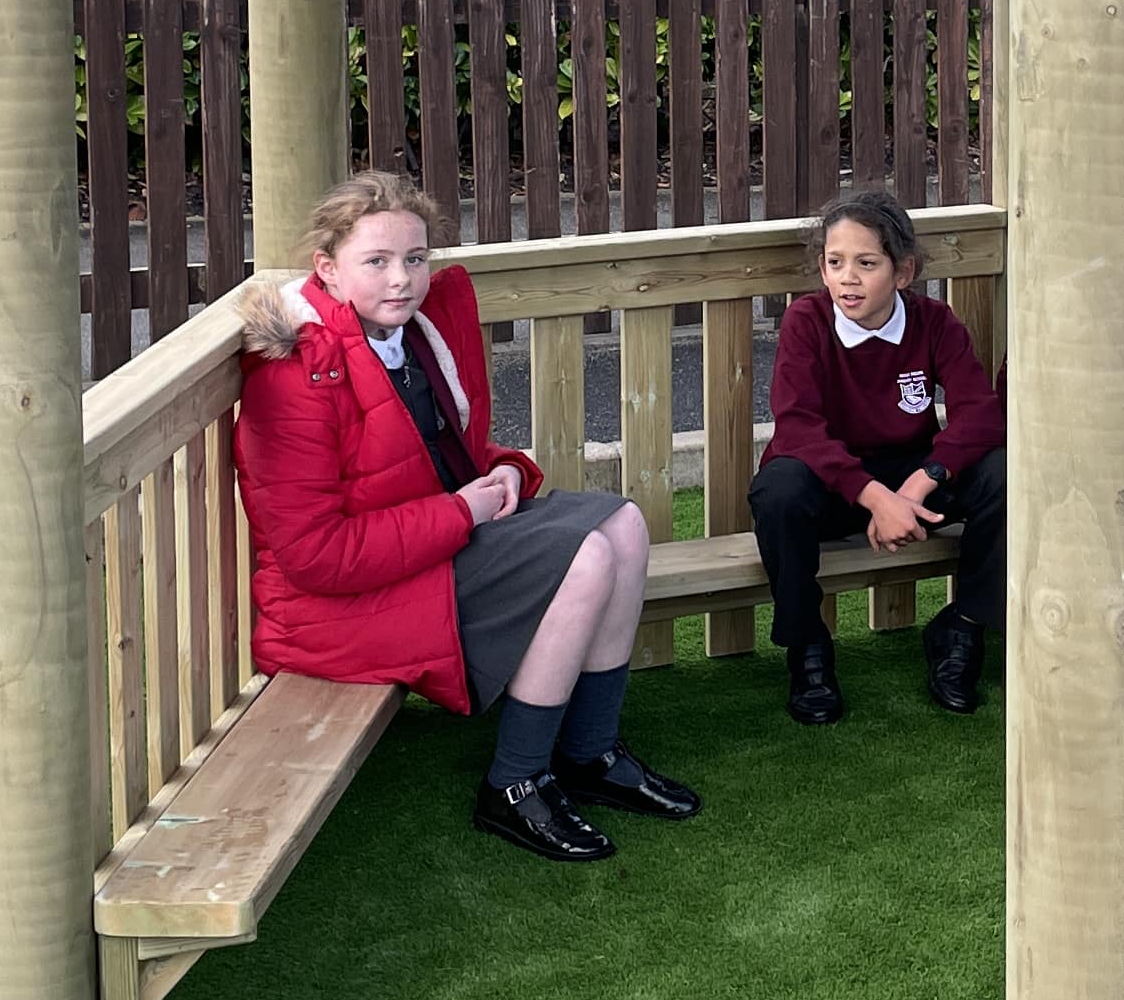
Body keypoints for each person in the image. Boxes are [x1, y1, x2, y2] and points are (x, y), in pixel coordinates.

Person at [236, 171, 692, 865]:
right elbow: (314, 557)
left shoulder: (411, 335)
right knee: (586, 557)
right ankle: (514, 785)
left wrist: (507, 472)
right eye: (377, 262)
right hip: (340, 605)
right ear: (328, 270)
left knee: (622, 525)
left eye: (415, 259)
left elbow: (451, 458)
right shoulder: (298, 371)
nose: (402, 280)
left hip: (430, 550)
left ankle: (591, 754)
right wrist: (461, 510)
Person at [751, 186, 1006, 722]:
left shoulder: (934, 322)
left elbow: (980, 413)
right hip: (832, 485)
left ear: (903, 272)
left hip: (910, 482)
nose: (848, 277)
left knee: (1004, 473)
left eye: (866, 263)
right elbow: (797, 428)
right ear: (821, 270)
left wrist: (916, 487)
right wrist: (875, 499)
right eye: (835, 262)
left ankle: (962, 627)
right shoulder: (806, 322)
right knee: (778, 490)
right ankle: (808, 650)